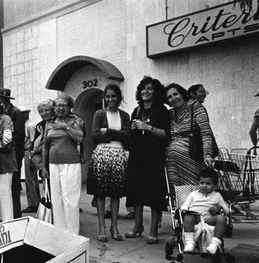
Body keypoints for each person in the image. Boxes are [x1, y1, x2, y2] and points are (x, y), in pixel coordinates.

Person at [125, 76, 170, 244]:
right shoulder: (137, 111)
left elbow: (166, 134)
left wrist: (148, 127)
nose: (146, 91)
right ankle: (138, 226)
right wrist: (132, 128)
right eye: (143, 88)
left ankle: (153, 230)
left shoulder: (162, 110)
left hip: (154, 156)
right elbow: (131, 135)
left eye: (150, 88)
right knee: (136, 192)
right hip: (137, 156)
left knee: (154, 193)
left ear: (156, 92)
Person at [87, 84, 130, 242]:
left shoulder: (124, 115)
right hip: (101, 154)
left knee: (115, 193)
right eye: (108, 96)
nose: (110, 99)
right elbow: (95, 135)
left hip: (118, 154)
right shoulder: (99, 114)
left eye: (113, 96)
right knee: (100, 193)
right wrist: (116, 135)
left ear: (118, 97)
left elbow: (127, 136)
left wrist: (109, 131)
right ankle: (102, 228)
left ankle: (114, 226)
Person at [42, 94, 84, 235]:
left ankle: (72, 233)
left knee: (70, 198)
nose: (61, 108)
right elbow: (45, 146)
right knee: (57, 198)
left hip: (70, 164)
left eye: (64, 105)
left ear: (69, 107)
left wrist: (66, 127)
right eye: (58, 105)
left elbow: (79, 137)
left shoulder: (76, 121)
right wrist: (43, 166)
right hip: (53, 164)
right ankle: (60, 231)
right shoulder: (49, 123)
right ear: (53, 107)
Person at [165, 83, 214, 191]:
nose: (173, 98)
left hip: (193, 160)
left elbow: (205, 133)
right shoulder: (170, 113)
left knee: (197, 193)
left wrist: (208, 154)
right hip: (173, 164)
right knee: (179, 195)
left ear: (182, 94)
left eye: (175, 94)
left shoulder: (195, 107)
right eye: (169, 97)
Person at [0, 88, 25, 218]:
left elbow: (19, 135)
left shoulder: (15, 112)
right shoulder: (1, 113)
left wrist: (2, 144)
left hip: (13, 153)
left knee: (13, 184)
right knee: (3, 185)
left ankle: (15, 214)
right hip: (2, 153)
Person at [181, 167, 229, 255]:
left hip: (208, 219)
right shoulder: (193, 194)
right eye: (201, 183)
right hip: (194, 217)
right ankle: (190, 243)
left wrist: (220, 207)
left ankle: (214, 244)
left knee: (222, 219)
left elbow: (227, 210)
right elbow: (185, 205)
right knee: (188, 217)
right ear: (198, 183)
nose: (204, 186)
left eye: (208, 183)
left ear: (215, 186)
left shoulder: (217, 196)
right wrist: (184, 210)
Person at [22, 110, 40, 213]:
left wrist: (31, 154)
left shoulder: (29, 126)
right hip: (28, 152)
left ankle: (33, 203)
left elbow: (33, 141)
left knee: (30, 178)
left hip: (29, 152)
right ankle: (35, 201)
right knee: (31, 178)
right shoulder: (27, 125)